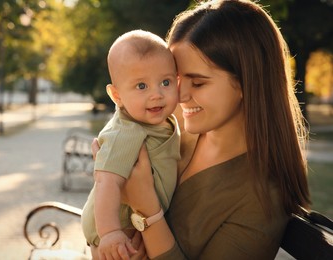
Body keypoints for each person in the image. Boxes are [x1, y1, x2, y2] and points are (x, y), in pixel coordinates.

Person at [102, 0, 311, 259]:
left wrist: (147, 210)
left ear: (247, 82)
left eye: (198, 83)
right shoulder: (172, 127)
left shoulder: (262, 197)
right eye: (175, 80)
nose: (179, 95)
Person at [81, 30, 180, 259]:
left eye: (165, 82)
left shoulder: (164, 122)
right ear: (117, 96)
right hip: (111, 230)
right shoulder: (125, 132)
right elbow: (106, 182)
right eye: (141, 86)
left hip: (137, 224)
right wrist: (110, 233)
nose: (156, 94)